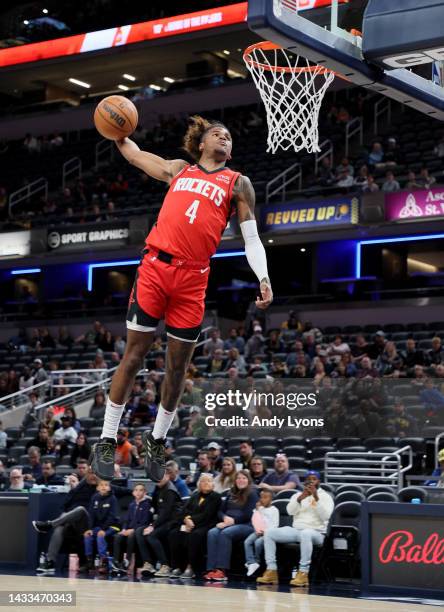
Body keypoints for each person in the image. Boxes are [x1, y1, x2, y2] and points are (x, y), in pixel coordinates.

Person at [90, 115, 273, 482]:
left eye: (229, 136)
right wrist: (117, 132)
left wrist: (264, 277)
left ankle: (156, 440)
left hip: (193, 279)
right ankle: (107, 440)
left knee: (176, 368)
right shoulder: (178, 170)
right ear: (201, 143)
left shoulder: (238, 183)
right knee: (134, 355)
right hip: (156, 268)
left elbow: (251, 238)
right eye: (218, 133)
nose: (225, 137)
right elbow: (135, 154)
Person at [257, 471, 334, 587]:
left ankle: (303, 573)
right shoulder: (297, 495)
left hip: (317, 533)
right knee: (269, 533)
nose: (311, 481)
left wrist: (316, 498)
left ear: (319, 481)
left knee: (306, 534)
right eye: (308, 479)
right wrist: (300, 499)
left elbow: (326, 517)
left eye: (314, 479)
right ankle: (271, 571)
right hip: (297, 530)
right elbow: (290, 511)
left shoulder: (325, 497)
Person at [34, 469, 99, 574]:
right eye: (90, 473)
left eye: (95, 473)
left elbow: (120, 489)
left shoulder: (101, 488)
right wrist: (65, 516)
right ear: (86, 475)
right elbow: (64, 506)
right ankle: (50, 562)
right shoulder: (77, 489)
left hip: (88, 522)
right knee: (59, 528)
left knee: (80, 509)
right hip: (72, 521)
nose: (93, 476)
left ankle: (49, 524)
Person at [204, 470, 258, 581]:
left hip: (246, 525)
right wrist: (224, 518)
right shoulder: (230, 493)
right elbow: (220, 511)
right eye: (238, 478)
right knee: (212, 532)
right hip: (228, 523)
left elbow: (248, 514)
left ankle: (222, 571)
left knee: (225, 533)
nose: (241, 480)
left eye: (244, 478)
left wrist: (232, 521)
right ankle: (211, 569)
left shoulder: (252, 494)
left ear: (248, 480)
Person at [168, 473, 221, 578]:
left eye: (208, 481)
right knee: (174, 533)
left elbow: (207, 514)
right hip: (189, 524)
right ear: (198, 484)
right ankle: (177, 567)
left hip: (206, 525)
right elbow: (184, 510)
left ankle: (191, 567)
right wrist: (186, 520)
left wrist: (191, 521)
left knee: (195, 535)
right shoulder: (195, 495)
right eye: (203, 481)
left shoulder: (216, 497)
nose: (205, 483)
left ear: (213, 485)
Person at [136, 473, 183, 577]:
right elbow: (154, 506)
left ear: (167, 476)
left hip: (173, 521)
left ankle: (165, 565)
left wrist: (152, 526)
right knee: (139, 531)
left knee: (152, 535)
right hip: (161, 521)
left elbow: (166, 513)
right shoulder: (158, 488)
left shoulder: (170, 490)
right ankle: (148, 563)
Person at [111, 483, 152, 574]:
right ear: (133, 492)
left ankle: (127, 561)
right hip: (128, 529)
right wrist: (124, 529)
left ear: (145, 492)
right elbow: (126, 519)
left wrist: (132, 530)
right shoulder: (132, 504)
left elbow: (145, 522)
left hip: (138, 530)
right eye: (136, 490)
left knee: (131, 536)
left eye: (141, 490)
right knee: (118, 536)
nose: (138, 492)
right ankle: (116, 562)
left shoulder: (147, 504)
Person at [84, 480, 121, 574]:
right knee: (87, 535)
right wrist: (89, 528)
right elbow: (91, 515)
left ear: (109, 487)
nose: (103, 487)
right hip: (99, 527)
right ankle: (89, 562)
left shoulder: (113, 498)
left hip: (113, 526)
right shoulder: (94, 498)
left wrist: (103, 529)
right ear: (97, 488)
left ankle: (104, 562)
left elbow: (113, 517)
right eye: (101, 485)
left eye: (106, 485)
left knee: (101, 535)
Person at [244, 488, 279, 576]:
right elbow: (255, 520)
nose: (262, 499)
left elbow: (275, 525)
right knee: (247, 541)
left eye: (265, 497)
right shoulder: (260, 508)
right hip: (258, 531)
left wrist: (266, 532)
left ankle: (257, 560)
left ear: (271, 499)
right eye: (261, 497)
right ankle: (251, 562)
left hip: (268, 534)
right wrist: (257, 509)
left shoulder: (274, 510)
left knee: (258, 542)